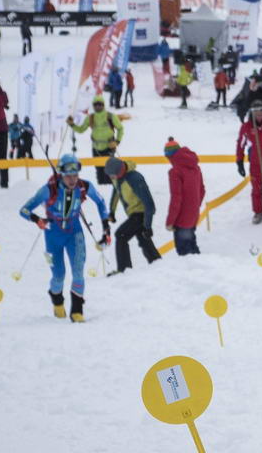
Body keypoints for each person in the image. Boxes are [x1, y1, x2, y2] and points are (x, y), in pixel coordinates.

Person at [19, 153, 108, 321]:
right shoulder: (48, 190)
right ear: (61, 174)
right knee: (58, 275)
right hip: (52, 236)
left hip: (75, 233)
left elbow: (101, 203)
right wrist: (38, 219)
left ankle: (77, 311)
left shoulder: (84, 187)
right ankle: (57, 300)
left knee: (78, 272)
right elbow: (24, 210)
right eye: (68, 176)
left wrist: (106, 227)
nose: (73, 179)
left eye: (75, 175)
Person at [103, 156, 161, 273]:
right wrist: (112, 212)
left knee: (121, 235)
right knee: (144, 240)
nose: (111, 178)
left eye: (113, 175)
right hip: (132, 213)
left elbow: (149, 204)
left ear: (120, 171)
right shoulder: (117, 178)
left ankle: (123, 270)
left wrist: (147, 226)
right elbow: (116, 192)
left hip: (141, 213)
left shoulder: (135, 178)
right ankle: (158, 264)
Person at [67, 96, 122, 182]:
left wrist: (117, 141)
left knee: (109, 169)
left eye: (100, 104)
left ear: (103, 105)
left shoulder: (110, 116)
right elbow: (81, 129)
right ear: (93, 106)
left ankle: (110, 187)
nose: (98, 106)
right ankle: (101, 187)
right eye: (96, 104)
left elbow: (120, 128)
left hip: (109, 147)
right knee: (99, 169)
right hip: (96, 148)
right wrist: (72, 124)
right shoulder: (90, 117)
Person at [164, 140, 205, 255]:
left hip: (181, 219)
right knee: (192, 248)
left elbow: (176, 198)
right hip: (193, 215)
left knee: (185, 255)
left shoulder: (175, 172)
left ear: (170, 156)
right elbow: (202, 190)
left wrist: (170, 221)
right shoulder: (195, 167)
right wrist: (195, 206)